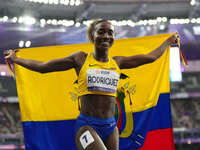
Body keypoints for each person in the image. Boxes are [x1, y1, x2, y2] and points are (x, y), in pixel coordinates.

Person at [4, 19, 179, 150]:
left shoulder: (117, 62)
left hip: (111, 127)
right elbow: (43, 67)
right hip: (87, 126)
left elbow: (151, 57)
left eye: (110, 33)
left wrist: (167, 43)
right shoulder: (80, 59)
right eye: (101, 32)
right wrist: (17, 59)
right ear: (93, 35)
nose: (106, 36)